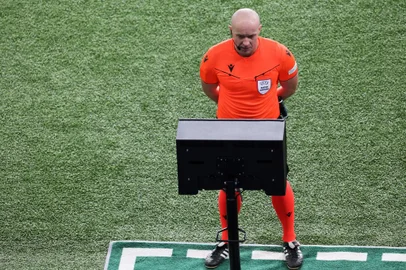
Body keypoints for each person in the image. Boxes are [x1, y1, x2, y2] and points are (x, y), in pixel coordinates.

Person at [199, 8, 303, 270]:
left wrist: (269, 103)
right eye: (240, 36)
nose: (245, 41)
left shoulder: (280, 53)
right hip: (228, 130)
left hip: (267, 130)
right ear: (230, 32)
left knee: (277, 183)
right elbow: (210, 88)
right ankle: (226, 239)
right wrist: (232, 110)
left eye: (251, 36)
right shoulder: (214, 55)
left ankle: (290, 239)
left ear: (260, 31)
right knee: (228, 185)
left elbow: (289, 87)